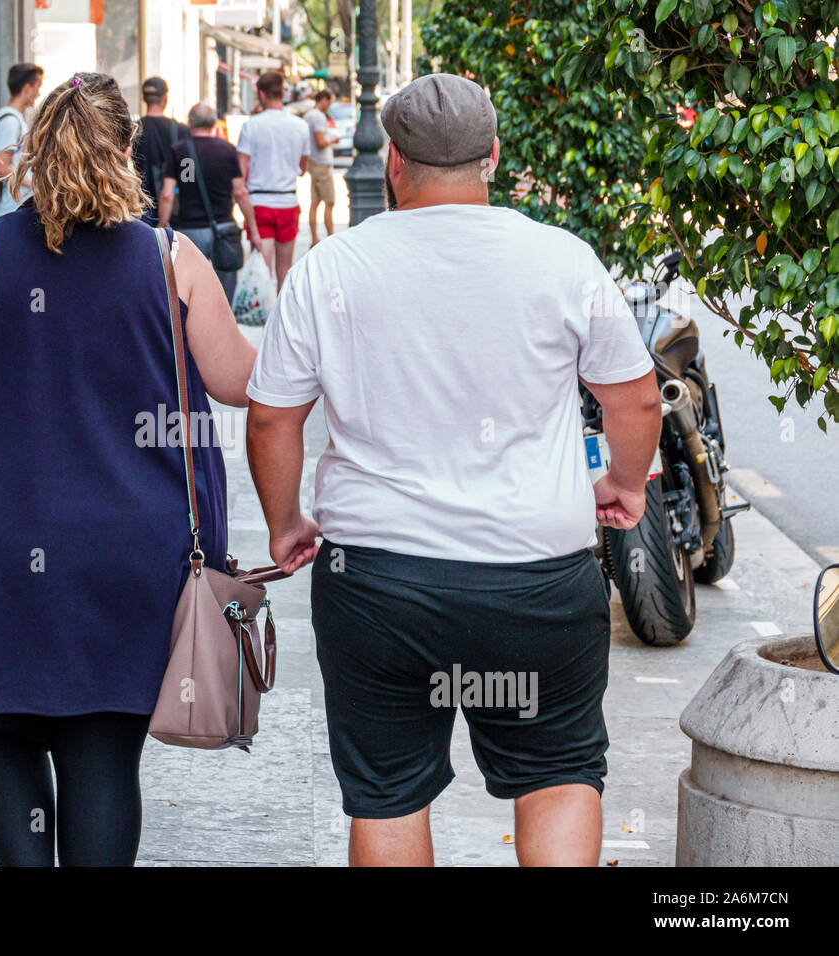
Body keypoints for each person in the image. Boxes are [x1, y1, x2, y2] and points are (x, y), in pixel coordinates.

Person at [244, 73, 661, 867]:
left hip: (377, 581)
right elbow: (635, 404)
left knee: (389, 792)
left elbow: (272, 417)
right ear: (493, 156)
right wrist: (624, 485)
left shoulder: (331, 268)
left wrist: (286, 523)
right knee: (560, 774)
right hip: (534, 577)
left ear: (394, 162)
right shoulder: (563, 259)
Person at [0, 72, 257, 867]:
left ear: (33, 147)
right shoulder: (170, 259)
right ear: (126, 152)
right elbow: (241, 382)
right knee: (106, 754)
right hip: (131, 557)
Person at [158, 102, 262, 304]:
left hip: (191, 232)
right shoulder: (227, 150)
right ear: (214, 123)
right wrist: (254, 231)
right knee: (225, 294)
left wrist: (163, 225)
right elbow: (240, 192)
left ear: (190, 123)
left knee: (188, 293)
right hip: (224, 229)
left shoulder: (180, 151)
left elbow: (168, 194)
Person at [237, 71, 309, 291]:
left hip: (259, 203)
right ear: (283, 92)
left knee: (262, 271)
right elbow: (302, 169)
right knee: (285, 270)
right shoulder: (300, 126)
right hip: (287, 201)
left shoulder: (252, 125)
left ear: (261, 94)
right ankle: (282, 318)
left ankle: (265, 319)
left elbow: (241, 171)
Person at [132, 76, 189, 226]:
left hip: (142, 207)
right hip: (176, 209)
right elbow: (187, 170)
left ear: (144, 99)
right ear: (165, 98)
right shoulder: (181, 130)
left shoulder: (133, 130)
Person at [0, 62, 44, 219]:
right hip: (9, 210)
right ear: (27, 88)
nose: (38, 93)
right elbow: (2, 168)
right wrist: (35, 185)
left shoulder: (16, 119)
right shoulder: (10, 121)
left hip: (15, 208)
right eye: (37, 87)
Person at [305, 89, 339, 246]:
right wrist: (332, 139)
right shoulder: (318, 117)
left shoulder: (308, 115)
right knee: (329, 201)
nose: (329, 106)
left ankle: (314, 238)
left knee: (315, 202)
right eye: (330, 102)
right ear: (324, 99)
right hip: (322, 163)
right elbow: (320, 141)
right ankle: (331, 237)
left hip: (313, 162)